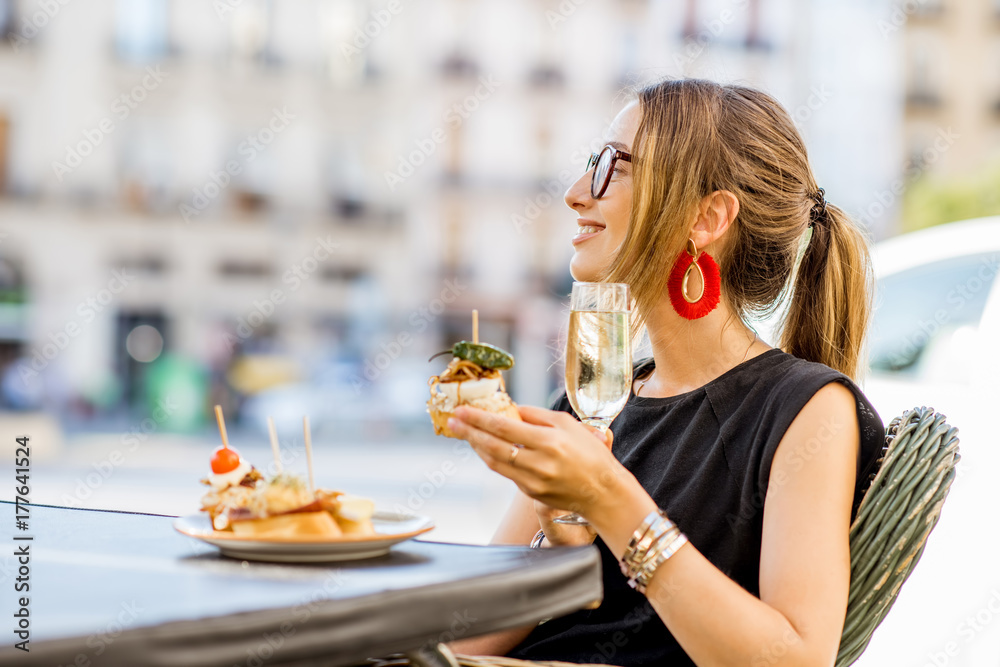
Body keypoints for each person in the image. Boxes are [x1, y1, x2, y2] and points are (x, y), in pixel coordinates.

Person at [445, 78, 885, 666]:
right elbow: (461, 646)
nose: (577, 193)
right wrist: (560, 547)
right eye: (589, 164)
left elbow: (795, 659)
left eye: (613, 168)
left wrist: (608, 498)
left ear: (707, 217)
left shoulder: (808, 410)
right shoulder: (592, 399)